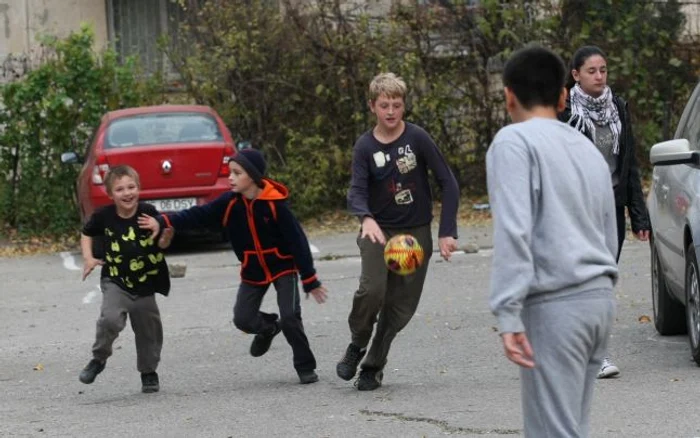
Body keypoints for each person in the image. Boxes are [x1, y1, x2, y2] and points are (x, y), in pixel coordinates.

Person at [486, 46, 619, 437]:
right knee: (568, 426)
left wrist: (507, 311)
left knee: (554, 432)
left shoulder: (514, 143)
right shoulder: (588, 150)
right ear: (563, 96)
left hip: (556, 304)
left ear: (509, 95)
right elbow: (608, 232)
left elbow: (514, 229)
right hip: (599, 301)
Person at [138, 148, 328, 384]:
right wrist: (163, 220)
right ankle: (269, 328)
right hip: (252, 269)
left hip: (282, 266)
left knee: (290, 317)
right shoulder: (229, 203)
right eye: (230, 172)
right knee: (242, 319)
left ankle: (305, 366)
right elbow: (198, 214)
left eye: (237, 173)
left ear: (253, 177)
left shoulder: (275, 205)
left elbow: (298, 241)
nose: (230, 178)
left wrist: (309, 279)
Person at [339, 72, 459, 391]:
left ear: (403, 106)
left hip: (415, 233)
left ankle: (373, 367)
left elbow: (449, 183)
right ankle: (357, 343)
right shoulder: (365, 146)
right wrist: (365, 218)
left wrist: (447, 231)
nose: (390, 111)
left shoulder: (417, 138)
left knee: (399, 308)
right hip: (378, 229)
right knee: (372, 290)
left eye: (396, 104)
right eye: (384, 105)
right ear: (372, 107)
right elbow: (357, 190)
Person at [560, 45, 651, 379]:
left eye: (603, 70)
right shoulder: (564, 111)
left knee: (602, 281)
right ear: (576, 75)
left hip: (610, 207)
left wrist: (639, 216)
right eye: (591, 71)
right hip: (576, 208)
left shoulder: (618, 108)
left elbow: (629, 166)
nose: (599, 76)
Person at [78, 165, 174, 393]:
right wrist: (89, 257)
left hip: (145, 283)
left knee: (149, 330)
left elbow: (161, 243)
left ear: (139, 188)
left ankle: (149, 372)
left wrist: (164, 234)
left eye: (131, 187)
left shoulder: (149, 213)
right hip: (116, 281)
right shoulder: (104, 216)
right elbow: (86, 233)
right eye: (120, 189)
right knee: (110, 319)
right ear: (111, 194)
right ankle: (98, 359)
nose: (127, 193)